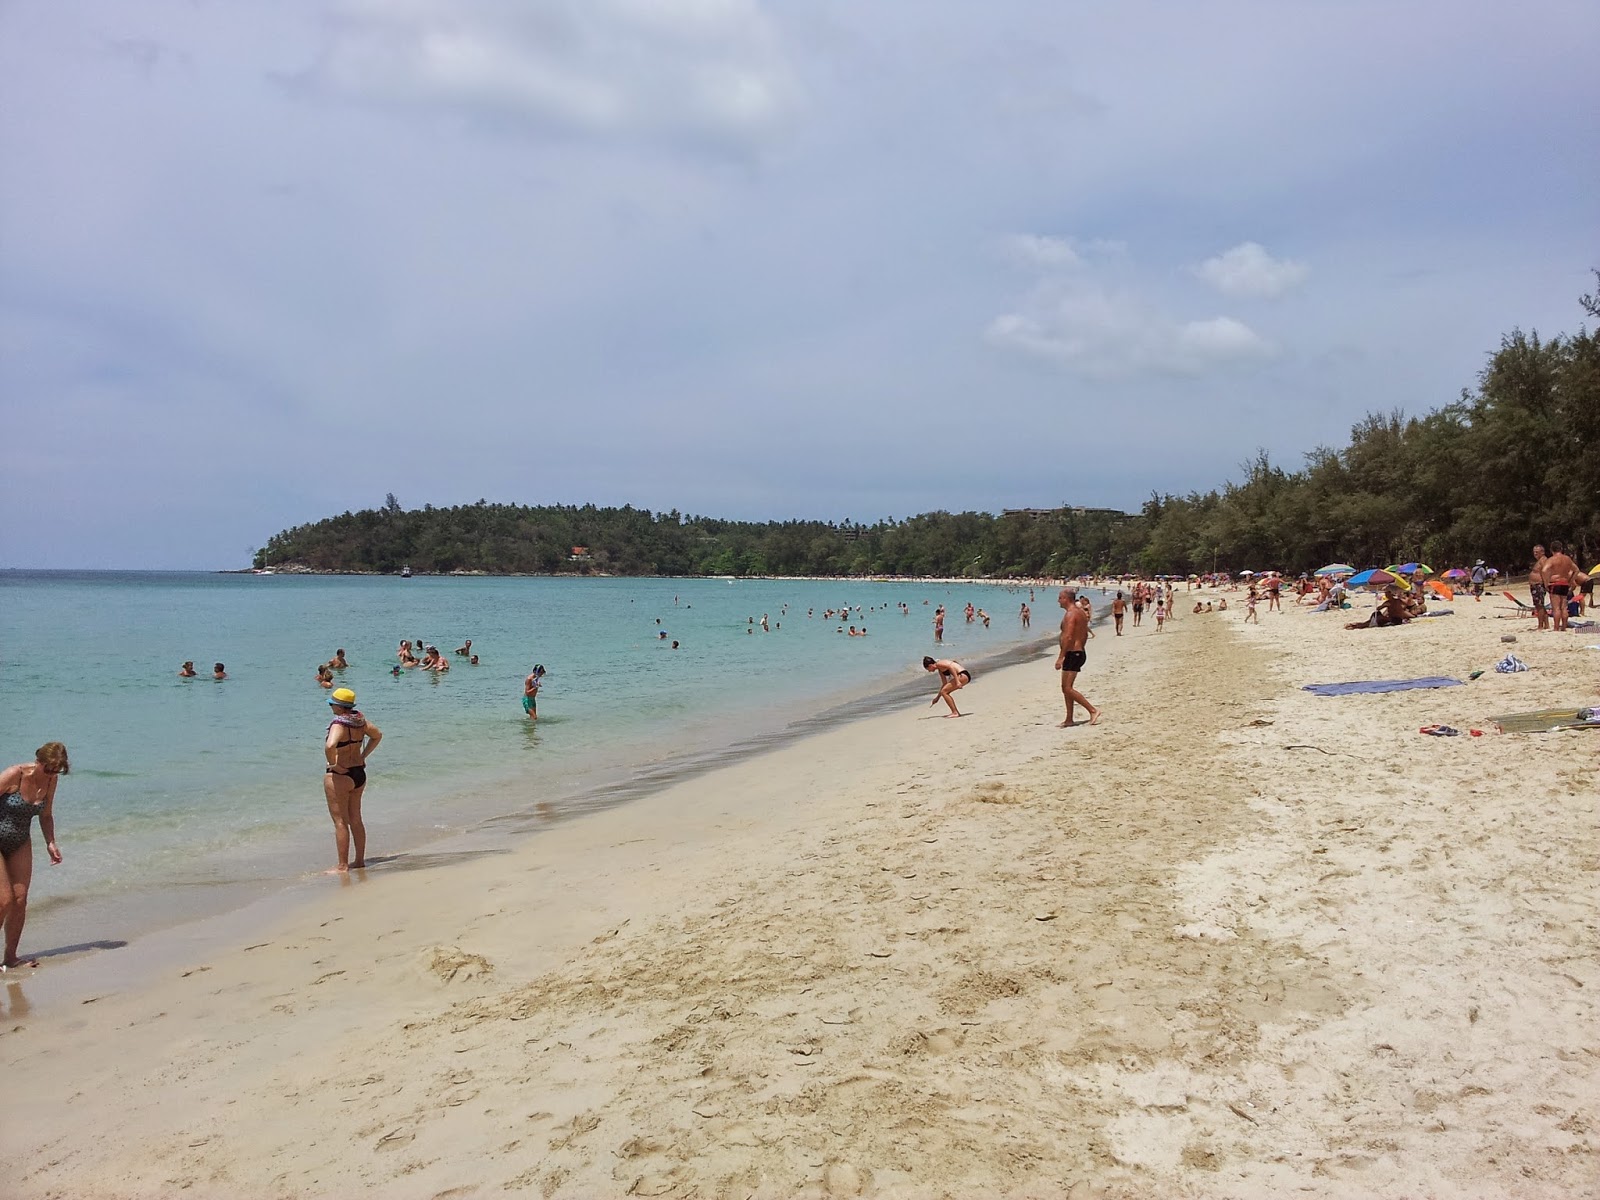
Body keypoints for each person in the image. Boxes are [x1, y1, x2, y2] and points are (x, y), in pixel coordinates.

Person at [0, 742, 67, 971]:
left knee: (20, 899)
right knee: (4, 899)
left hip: (19, 840)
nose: (51, 774)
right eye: (48, 768)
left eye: (57, 770)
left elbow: (46, 815)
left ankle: (10, 957)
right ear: (38, 761)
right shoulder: (15, 774)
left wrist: (50, 842)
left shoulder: (51, 780)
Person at [323, 689, 380, 873]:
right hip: (358, 773)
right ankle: (359, 860)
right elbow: (377, 735)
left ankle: (342, 865)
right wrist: (363, 756)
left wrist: (333, 764)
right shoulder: (360, 721)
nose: (331, 707)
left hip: (341, 775)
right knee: (356, 818)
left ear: (340, 707)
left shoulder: (338, 724)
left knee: (340, 821)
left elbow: (330, 745)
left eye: (332, 704)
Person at [1054, 588, 1100, 728]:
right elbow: (1084, 634)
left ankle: (1093, 710)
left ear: (1066, 599)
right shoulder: (1080, 613)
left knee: (1067, 688)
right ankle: (1069, 719)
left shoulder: (1071, 614)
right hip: (1076, 652)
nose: (1058, 601)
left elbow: (1068, 637)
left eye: (1060, 598)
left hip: (1073, 653)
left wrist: (1061, 657)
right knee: (1066, 687)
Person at [1543, 542, 1585, 633]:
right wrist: (1570, 580)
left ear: (1551, 549)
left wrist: (1546, 583)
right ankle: (1564, 627)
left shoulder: (1552, 559)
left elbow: (1544, 570)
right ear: (1561, 549)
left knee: (1556, 608)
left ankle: (1556, 627)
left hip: (1555, 584)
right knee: (1564, 607)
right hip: (1565, 583)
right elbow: (1576, 570)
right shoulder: (1567, 559)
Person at [1528, 545, 1549, 631]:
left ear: (1542, 552)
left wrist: (1546, 584)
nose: (1535, 553)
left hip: (1538, 585)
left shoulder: (1543, 560)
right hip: (1536, 585)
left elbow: (1546, 572)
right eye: (1534, 552)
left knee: (1539, 605)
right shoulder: (1540, 560)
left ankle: (1540, 625)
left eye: (1537, 552)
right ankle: (1546, 625)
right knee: (1540, 605)